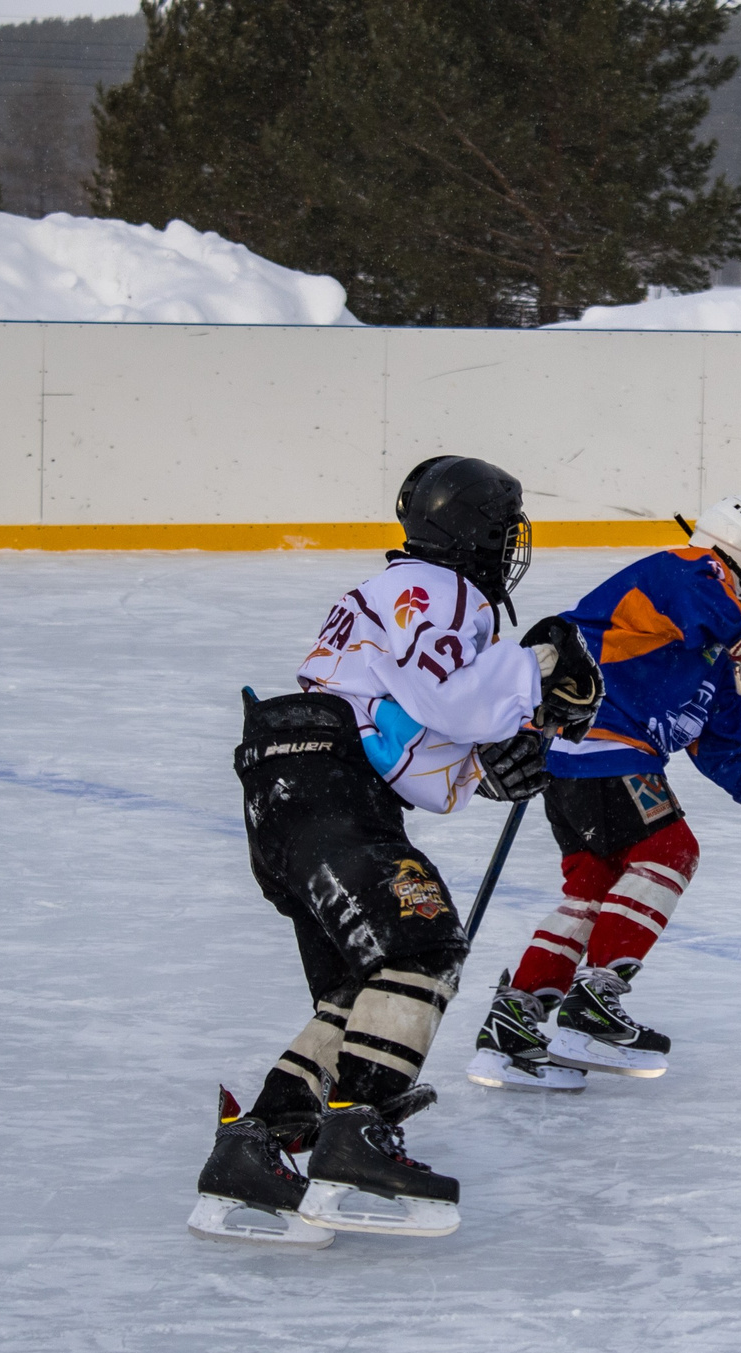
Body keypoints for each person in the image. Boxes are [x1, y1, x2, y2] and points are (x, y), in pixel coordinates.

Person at [189, 454, 603, 1247]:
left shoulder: (399, 599)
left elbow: (410, 741)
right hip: (323, 785)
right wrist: (540, 666)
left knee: (363, 985)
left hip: (303, 792)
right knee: (424, 940)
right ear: (478, 533)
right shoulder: (439, 591)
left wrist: (487, 768)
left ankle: (260, 1144)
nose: (511, 546)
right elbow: (455, 694)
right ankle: (359, 1135)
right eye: (504, 530)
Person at [466, 495, 741, 1092]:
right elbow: (704, 596)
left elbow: (727, 748)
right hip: (598, 746)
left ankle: (513, 1023)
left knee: (592, 891)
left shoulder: (712, 651)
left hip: (579, 772)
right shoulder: (683, 572)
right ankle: (595, 1003)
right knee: (670, 852)